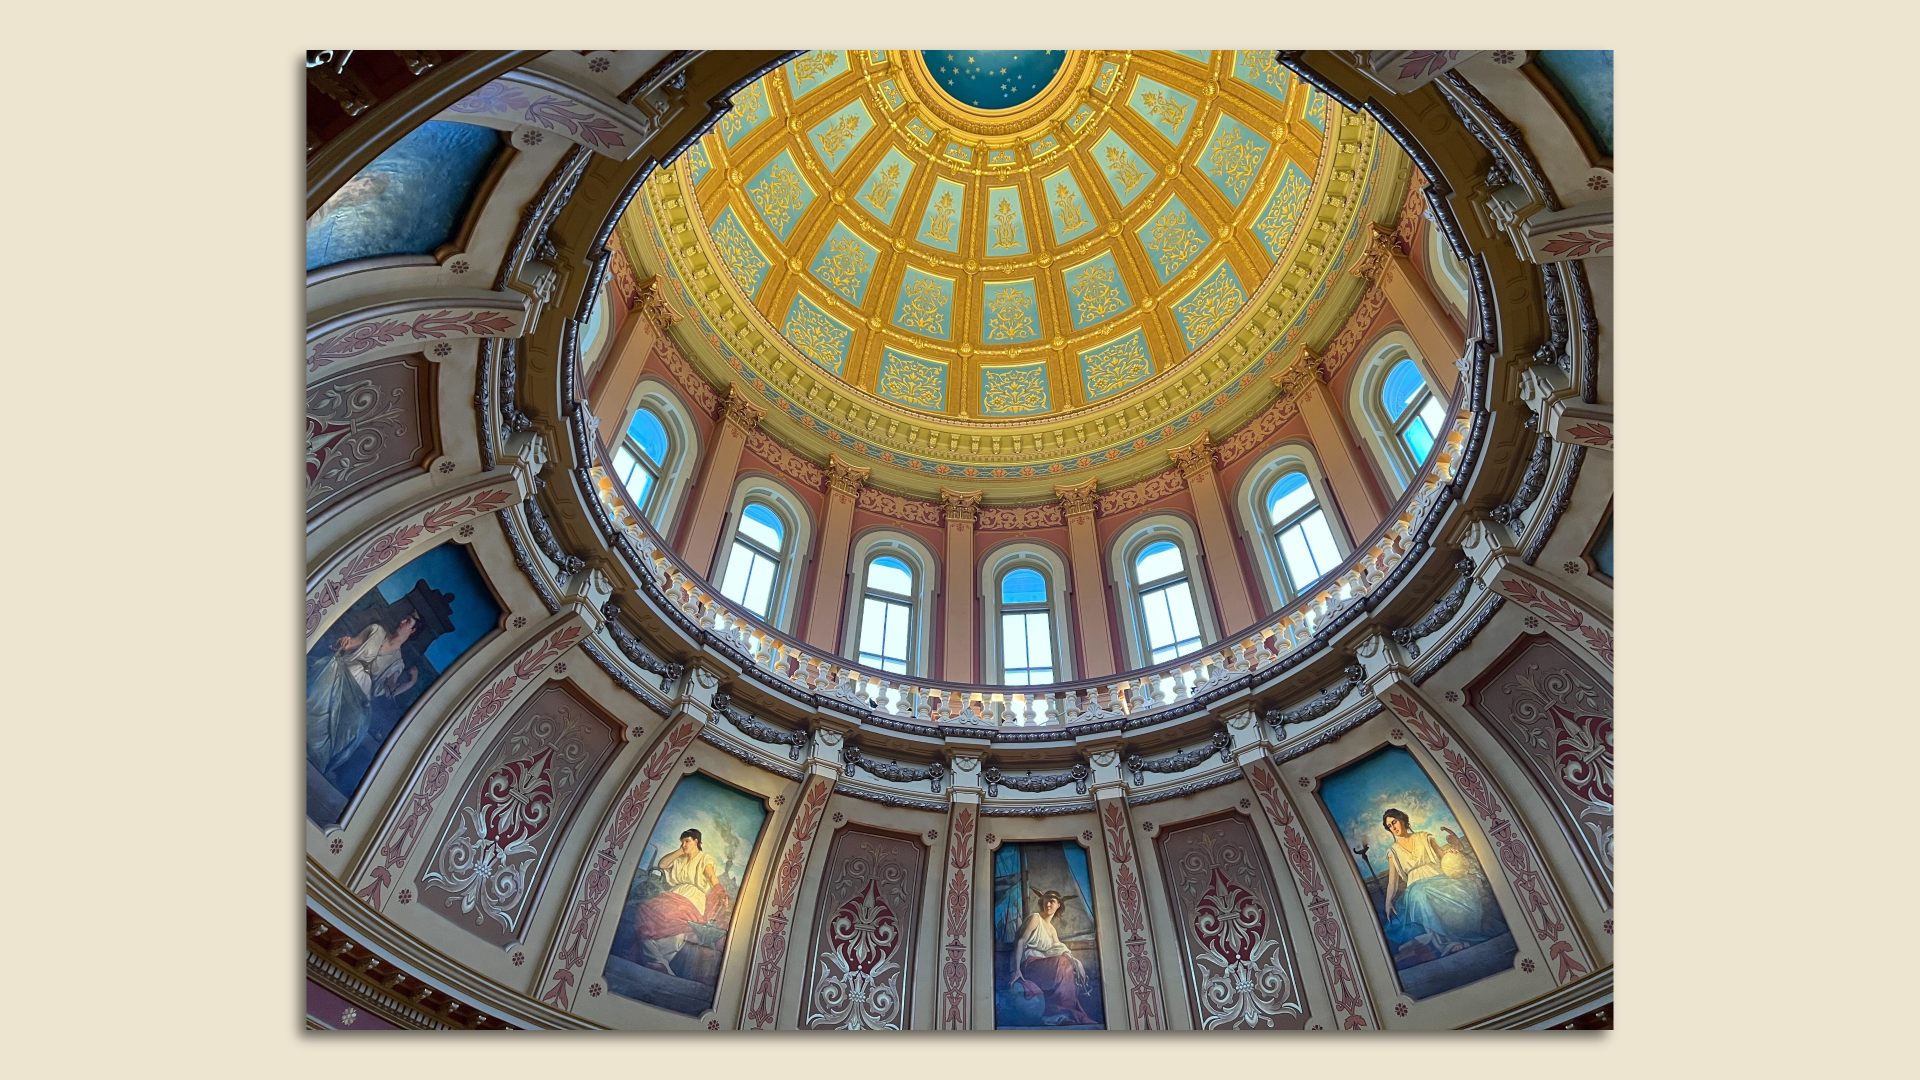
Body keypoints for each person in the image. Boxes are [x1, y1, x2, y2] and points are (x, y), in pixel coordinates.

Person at [306, 611, 421, 781]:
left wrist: (411, 683)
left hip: (359, 696)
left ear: (412, 631)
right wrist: (345, 643)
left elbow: (390, 691)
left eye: (408, 621)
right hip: (342, 672)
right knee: (324, 685)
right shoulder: (376, 631)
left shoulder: (397, 662)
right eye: (405, 617)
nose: (402, 620)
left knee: (357, 723)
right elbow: (352, 643)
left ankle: (317, 755)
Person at [1381, 809, 1494, 960]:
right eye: (1389, 826)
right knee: (1420, 895)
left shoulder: (1424, 837)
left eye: (1394, 822)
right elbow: (1392, 882)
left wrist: (1454, 849)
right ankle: (1445, 944)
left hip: (1437, 877)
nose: (1393, 827)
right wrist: (1388, 902)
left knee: (1450, 895)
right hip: (1415, 886)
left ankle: (1460, 935)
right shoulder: (1393, 852)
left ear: (1402, 820)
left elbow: (1443, 856)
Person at [635, 829, 727, 975]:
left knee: (675, 919)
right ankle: (658, 961)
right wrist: (680, 850)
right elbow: (662, 864)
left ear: (696, 841)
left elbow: (710, 875)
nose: (684, 844)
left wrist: (720, 892)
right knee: (645, 909)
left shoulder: (705, 858)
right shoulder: (679, 859)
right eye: (682, 841)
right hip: (675, 893)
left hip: (693, 895)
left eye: (687, 841)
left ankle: (661, 962)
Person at [1010, 890, 1094, 1026]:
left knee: (1066, 963)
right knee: (1061, 962)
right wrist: (1017, 969)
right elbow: (1021, 941)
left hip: (1042, 965)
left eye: (1052, 901)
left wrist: (1075, 961)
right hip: (1029, 965)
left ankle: (1062, 1012)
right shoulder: (1035, 918)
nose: (1048, 904)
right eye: (1046, 901)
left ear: (1058, 905)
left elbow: (1058, 949)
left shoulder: (1052, 929)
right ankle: (1055, 1013)